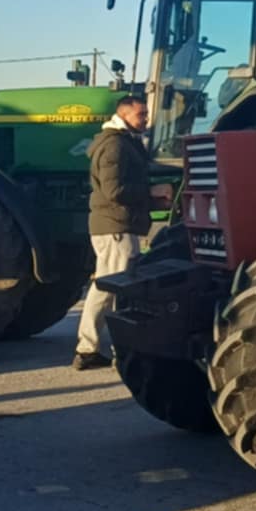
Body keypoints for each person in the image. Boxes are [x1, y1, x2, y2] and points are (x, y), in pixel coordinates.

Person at [72, 91, 160, 370]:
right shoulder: (115, 146)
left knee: (109, 286)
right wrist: (151, 193)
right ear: (124, 115)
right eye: (141, 114)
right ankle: (93, 348)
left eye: (146, 114)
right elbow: (114, 191)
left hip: (115, 225)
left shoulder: (122, 142)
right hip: (116, 227)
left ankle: (94, 347)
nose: (146, 119)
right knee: (113, 288)